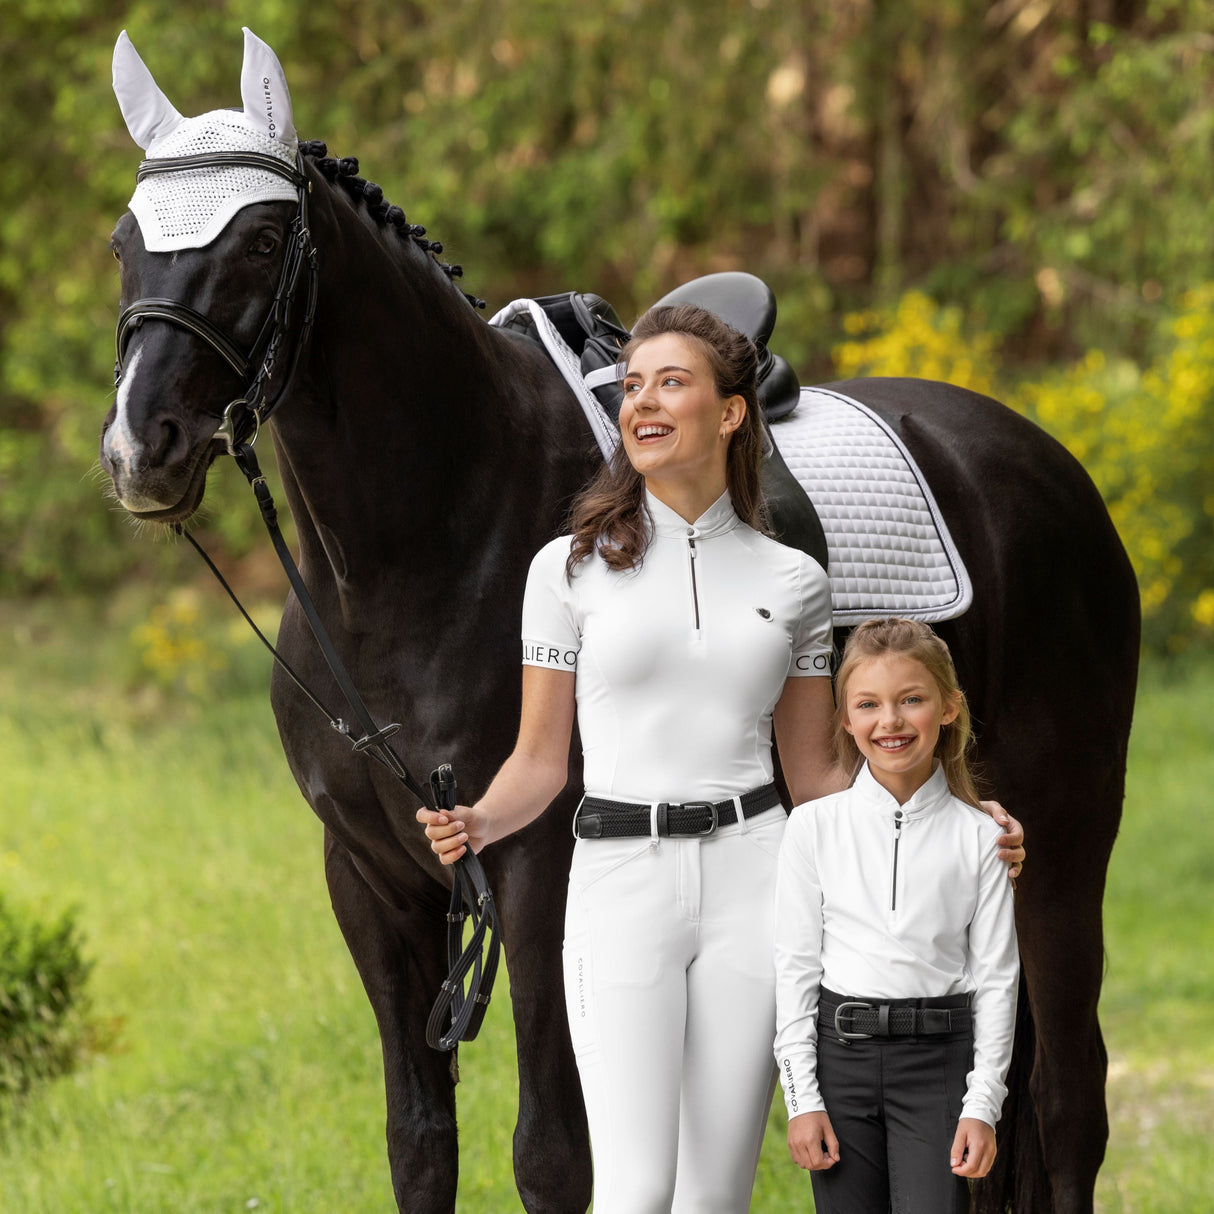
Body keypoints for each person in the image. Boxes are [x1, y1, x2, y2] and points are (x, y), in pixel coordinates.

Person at [419, 306, 1024, 1213]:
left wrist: (958, 815)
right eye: (631, 387)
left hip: (758, 879)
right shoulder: (565, 571)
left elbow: (817, 774)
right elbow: (540, 762)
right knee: (633, 1187)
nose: (642, 403)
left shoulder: (797, 583)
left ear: (731, 411)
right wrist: (478, 820)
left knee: (714, 1194)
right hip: (619, 880)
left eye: (670, 382)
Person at [773, 617, 1020, 1214]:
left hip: (938, 1068)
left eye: (911, 699)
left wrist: (981, 1105)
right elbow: (795, 968)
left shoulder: (980, 837)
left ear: (948, 708)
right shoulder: (812, 828)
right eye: (869, 704)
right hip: (841, 1062)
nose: (890, 721)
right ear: (846, 718)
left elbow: (996, 979)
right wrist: (803, 1099)